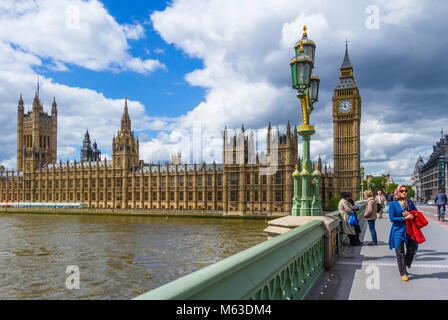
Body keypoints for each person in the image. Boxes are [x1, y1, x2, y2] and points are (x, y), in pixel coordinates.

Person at [389, 185, 418, 282]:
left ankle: (403, 265)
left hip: (410, 229)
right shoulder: (393, 204)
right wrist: (404, 218)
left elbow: (416, 213)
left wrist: (412, 215)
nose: (404, 192)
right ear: (397, 192)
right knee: (400, 251)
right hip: (398, 230)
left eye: (405, 190)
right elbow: (392, 218)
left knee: (412, 248)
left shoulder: (409, 202)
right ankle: (403, 273)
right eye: (402, 191)